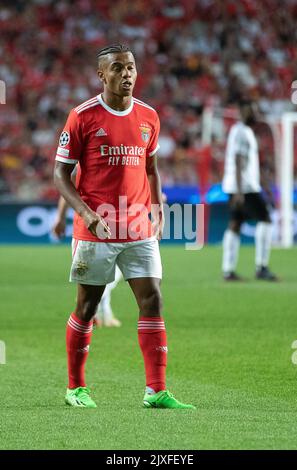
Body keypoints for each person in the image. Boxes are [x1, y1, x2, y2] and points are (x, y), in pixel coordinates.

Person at [54, 44, 195, 409]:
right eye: (118, 68)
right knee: (87, 307)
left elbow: (151, 168)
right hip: (96, 230)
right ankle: (75, 388)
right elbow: (60, 174)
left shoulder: (149, 116)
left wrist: (157, 207)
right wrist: (86, 215)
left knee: (153, 301)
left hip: (137, 229)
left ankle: (156, 389)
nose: (127, 74)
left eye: (131, 67)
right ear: (102, 74)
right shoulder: (82, 117)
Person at [52, 178, 122, 328]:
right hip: (98, 226)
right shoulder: (86, 164)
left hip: (114, 224)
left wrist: (60, 217)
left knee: (110, 273)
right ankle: (90, 305)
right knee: (107, 274)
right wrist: (60, 218)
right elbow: (67, 186)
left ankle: (104, 314)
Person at [222, 99, 278, 281]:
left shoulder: (244, 132)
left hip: (240, 185)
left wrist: (266, 186)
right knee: (266, 218)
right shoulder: (241, 132)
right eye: (252, 110)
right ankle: (261, 267)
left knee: (235, 223)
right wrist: (239, 191)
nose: (255, 114)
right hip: (243, 187)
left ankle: (228, 270)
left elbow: (249, 164)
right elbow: (238, 160)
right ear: (243, 112)